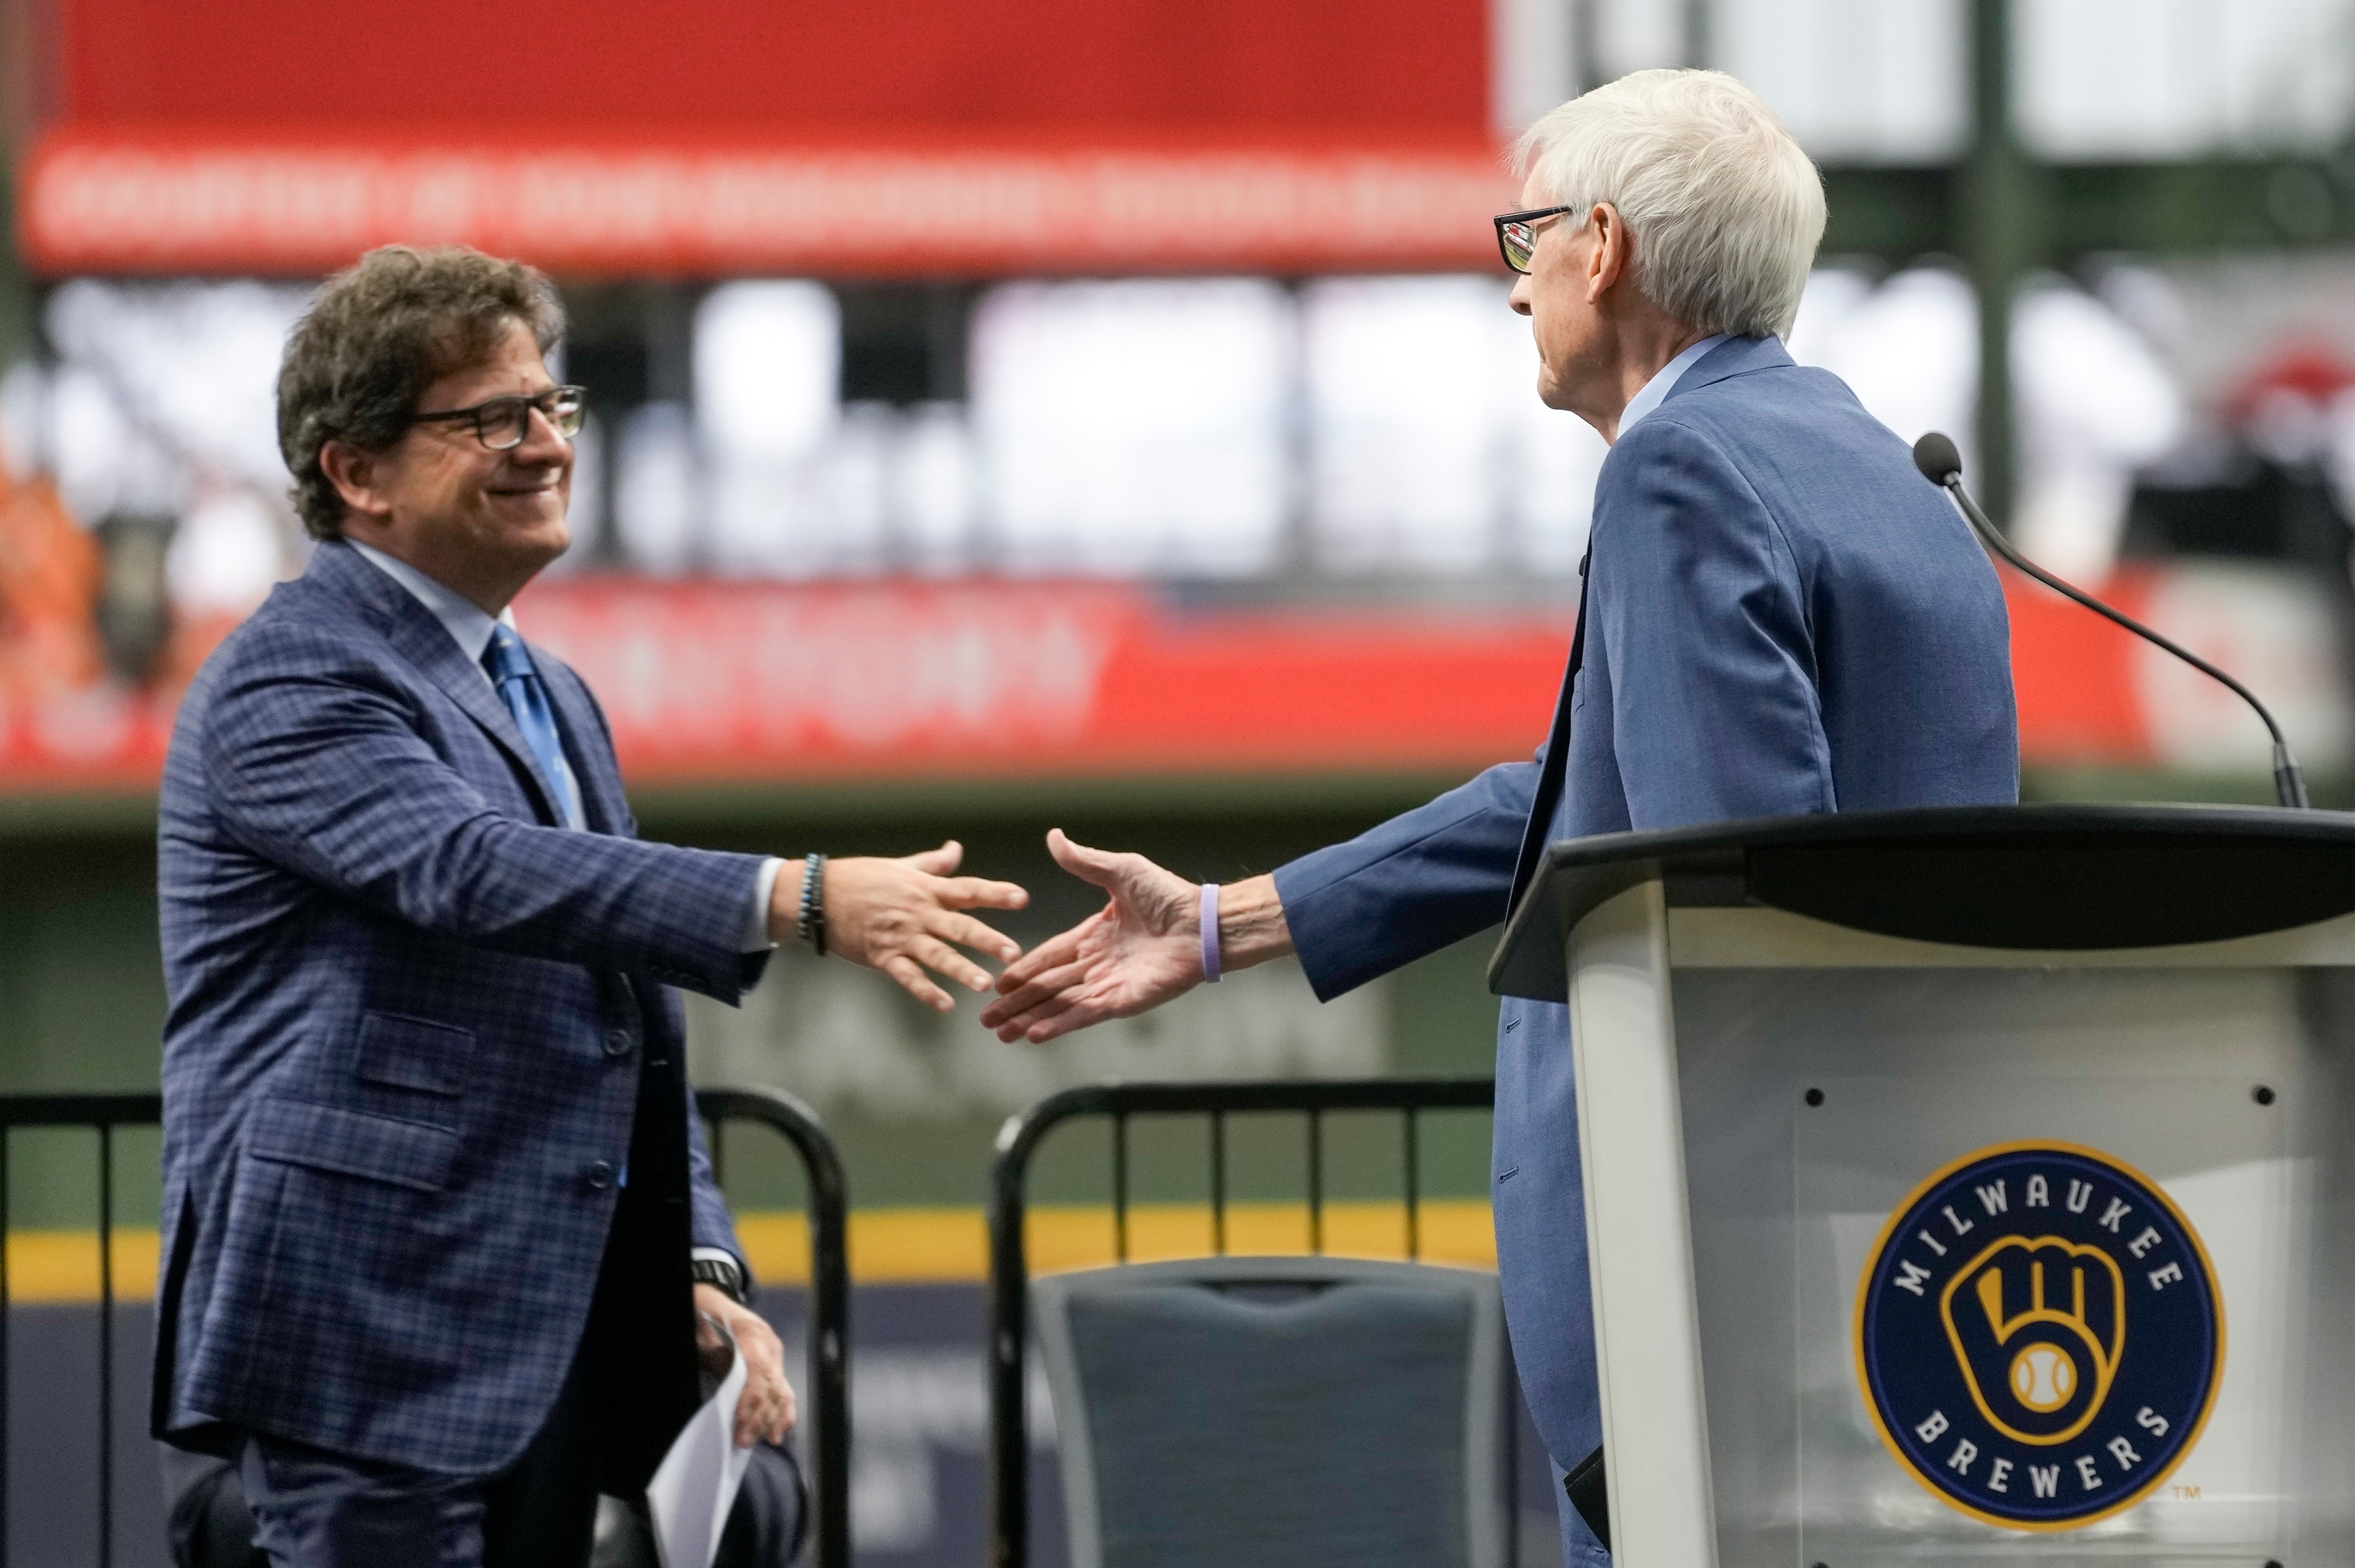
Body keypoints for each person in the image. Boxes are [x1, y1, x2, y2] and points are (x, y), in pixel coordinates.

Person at [980, 69, 2019, 1565]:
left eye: (1524, 239)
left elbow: (1726, 887)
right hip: (1895, 1242)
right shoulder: (1873, 460)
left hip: (1720, 1300)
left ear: (1602, 247)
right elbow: (1593, 789)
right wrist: (1227, 924)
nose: (1513, 285)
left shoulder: (1678, 466)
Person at [153, 244, 1029, 1567]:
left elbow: (627, 1027)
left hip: (540, 1343)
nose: (544, 444)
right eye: (488, 418)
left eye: (549, 408)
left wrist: (705, 1267)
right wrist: (793, 898)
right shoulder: (287, 678)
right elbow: (472, 867)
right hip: (363, 1332)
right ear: (357, 471)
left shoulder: (552, 692)